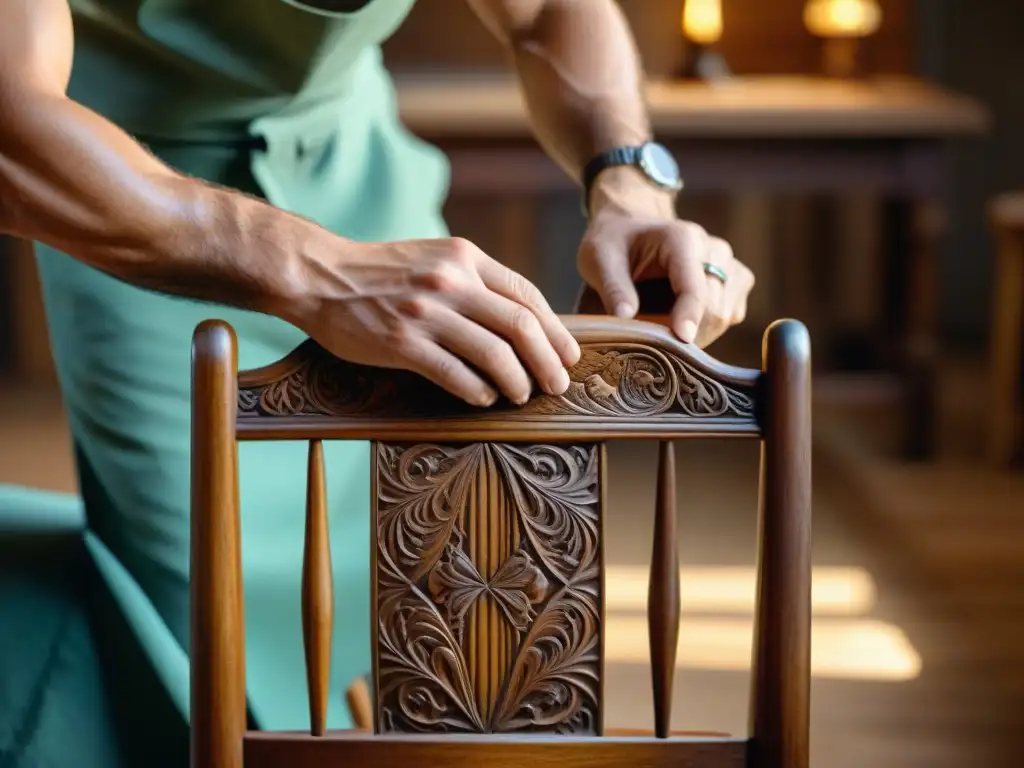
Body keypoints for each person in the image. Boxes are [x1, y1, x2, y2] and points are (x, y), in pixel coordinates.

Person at [0, 0, 755, 765]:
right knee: (202, 623)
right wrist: (321, 277)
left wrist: (630, 183)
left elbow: (550, 12)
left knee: (454, 580)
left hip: (353, 178)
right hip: (135, 205)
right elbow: (9, 122)